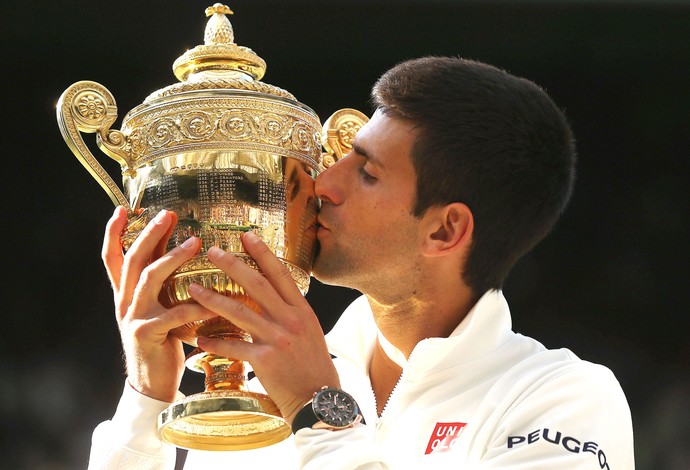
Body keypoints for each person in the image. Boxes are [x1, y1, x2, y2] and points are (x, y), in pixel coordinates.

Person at [88, 56, 634, 469]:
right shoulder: (264, 385)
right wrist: (144, 401)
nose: (323, 183)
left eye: (367, 173)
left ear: (445, 230)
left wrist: (318, 413)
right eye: (344, 155)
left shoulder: (562, 400)